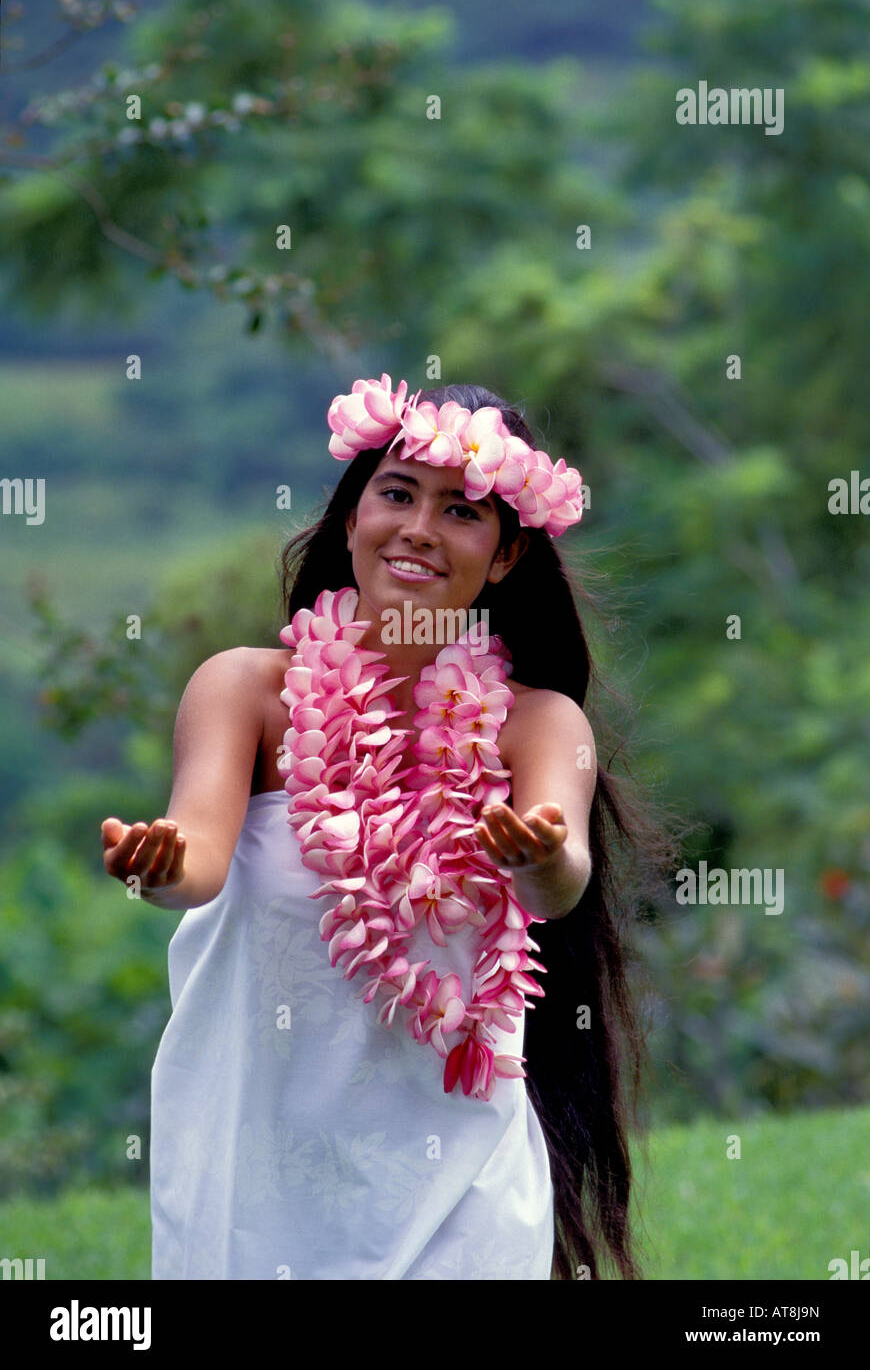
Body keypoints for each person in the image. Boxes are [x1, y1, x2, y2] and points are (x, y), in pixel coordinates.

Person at [102, 376, 679, 1279]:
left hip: (462, 1188)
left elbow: (557, 876)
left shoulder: (538, 725)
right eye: (397, 493)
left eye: (462, 510)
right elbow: (199, 861)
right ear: (350, 517)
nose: (419, 526)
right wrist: (157, 866)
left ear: (504, 556)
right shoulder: (246, 691)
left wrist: (538, 856)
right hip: (254, 1170)